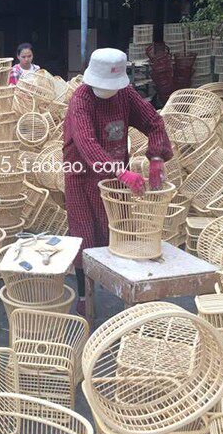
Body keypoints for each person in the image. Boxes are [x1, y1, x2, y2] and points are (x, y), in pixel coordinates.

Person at [63, 48, 174, 316]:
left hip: (114, 171)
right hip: (81, 173)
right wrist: (121, 172)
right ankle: (84, 293)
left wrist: (156, 156)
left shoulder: (125, 95)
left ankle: (118, 286)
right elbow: (87, 143)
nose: (108, 90)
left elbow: (153, 121)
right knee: (84, 233)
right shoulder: (81, 101)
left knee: (117, 227)